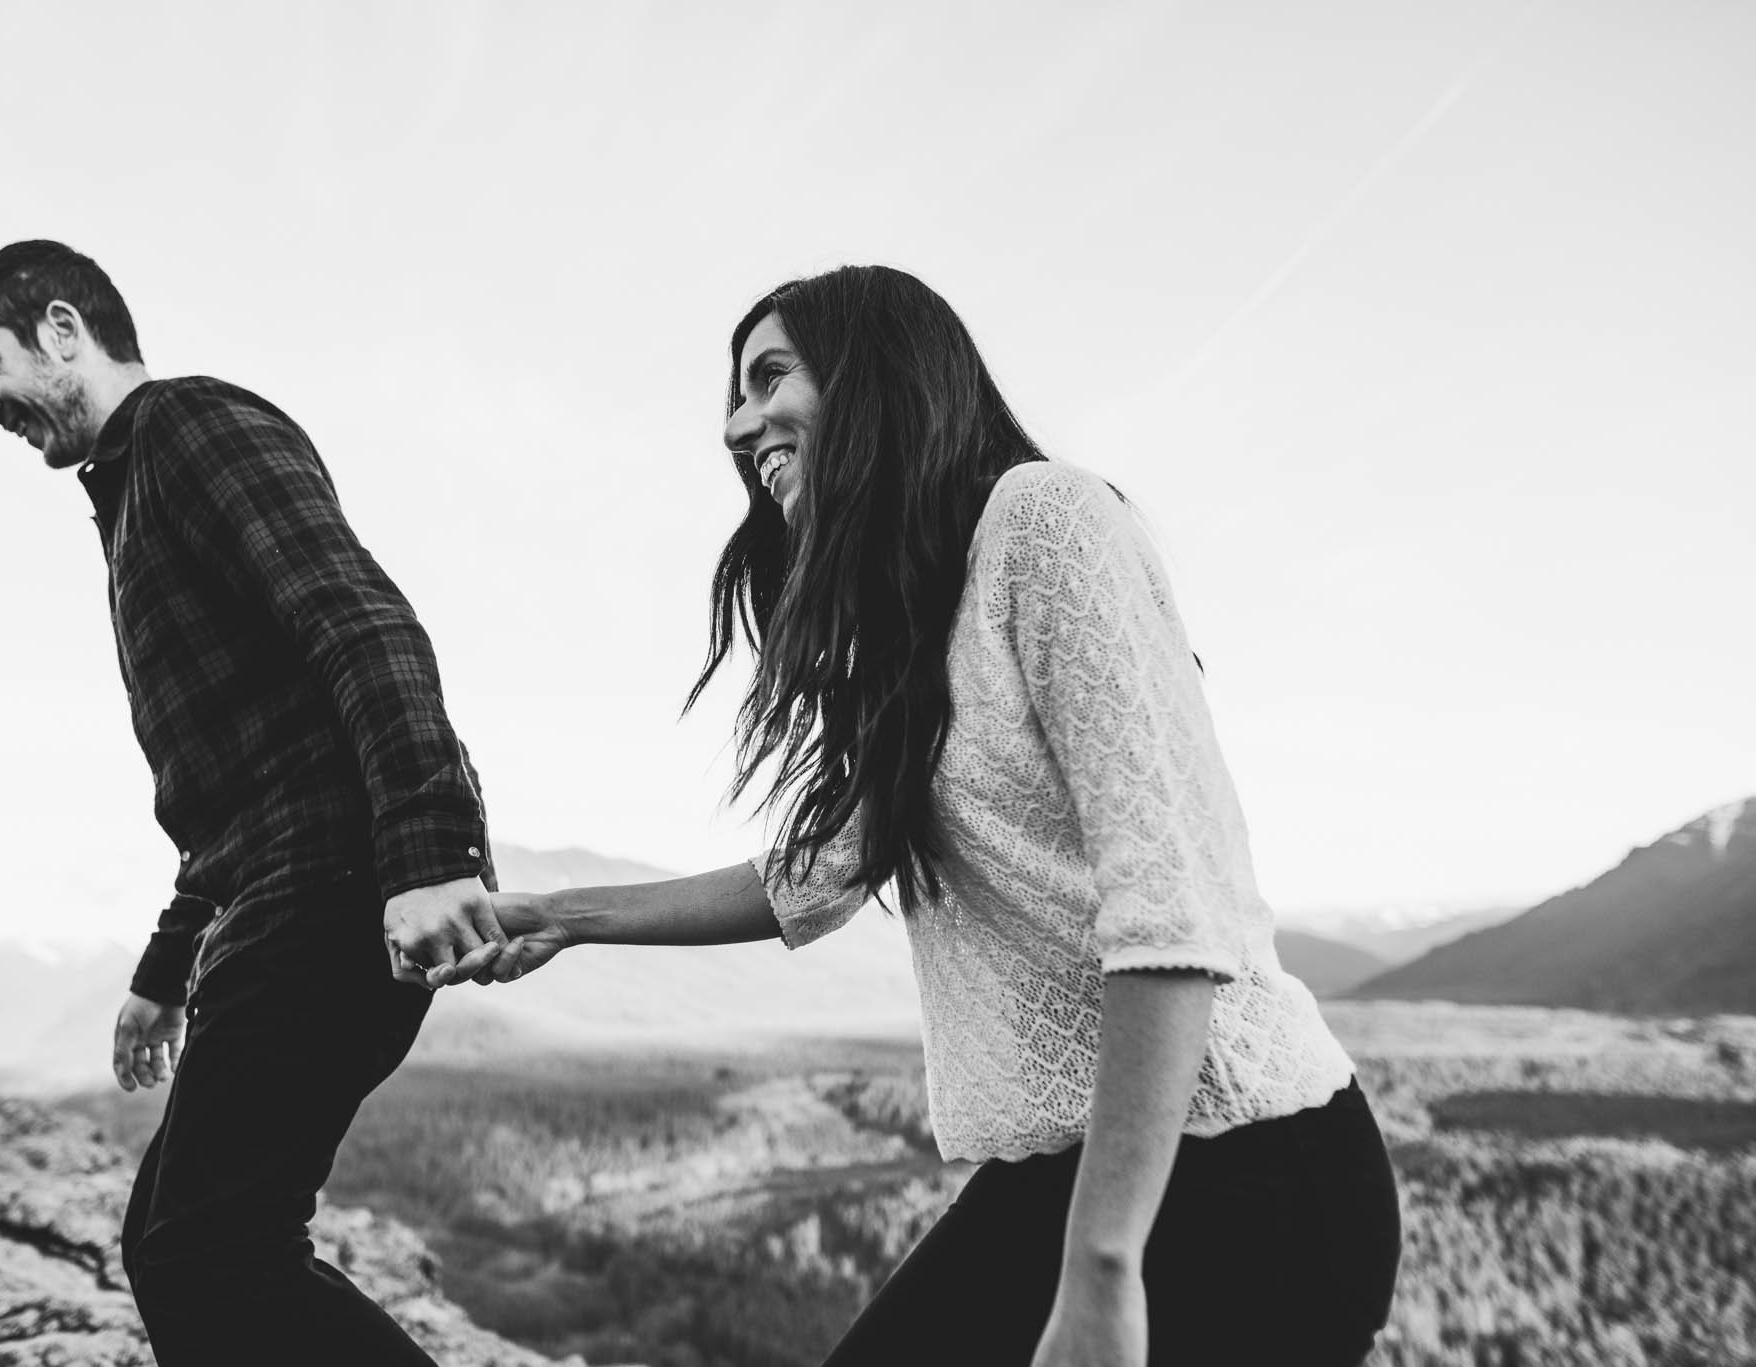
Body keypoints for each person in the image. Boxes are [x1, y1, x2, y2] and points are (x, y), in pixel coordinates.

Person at [456, 266, 1402, 1366]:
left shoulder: (1045, 520)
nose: (736, 423)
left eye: (768, 377)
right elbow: (813, 873)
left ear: (871, 376)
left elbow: (1165, 908)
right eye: (734, 393)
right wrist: (563, 915)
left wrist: (1101, 1271)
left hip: (1245, 1179)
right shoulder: (919, 621)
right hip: (1067, 1174)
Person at [0, 240, 505, 1365]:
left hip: (337, 884)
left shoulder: (192, 430)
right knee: (175, 1238)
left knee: (209, 1244)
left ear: (59, 329)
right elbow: (233, 793)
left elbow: (361, 623)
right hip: (286, 885)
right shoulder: (130, 498)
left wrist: (429, 853)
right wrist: (162, 972)